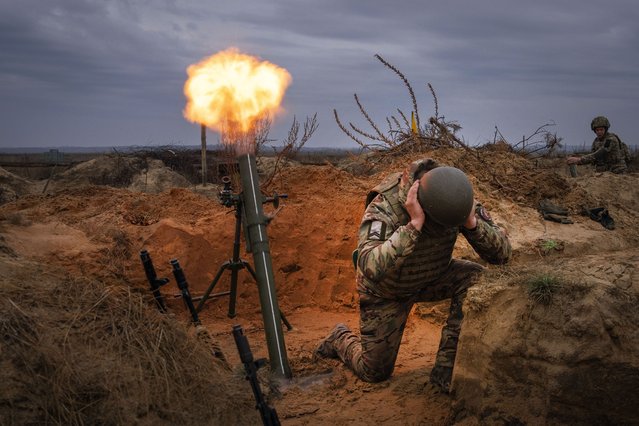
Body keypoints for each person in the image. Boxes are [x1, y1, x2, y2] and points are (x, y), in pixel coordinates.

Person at [315, 158, 512, 393]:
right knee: (375, 373)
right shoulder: (385, 206)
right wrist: (414, 225)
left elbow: (502, 255)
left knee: (475, 277)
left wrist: (471, 223)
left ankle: (445, 370)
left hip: (432, 277)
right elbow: (369, 267)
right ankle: (339, 337)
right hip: (387, 291)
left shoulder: (454, 198)